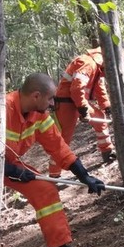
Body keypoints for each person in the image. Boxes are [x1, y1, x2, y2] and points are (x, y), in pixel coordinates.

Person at [1, 73, 105, 247]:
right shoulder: (1, 109)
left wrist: (84, 176)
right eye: (49, 99)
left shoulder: (40, 116)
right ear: (36, 96)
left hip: (9, 164)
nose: (51, 104)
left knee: (45, 189)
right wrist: (10, 170)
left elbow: (59, 148)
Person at [49, 47, 115, 178]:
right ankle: (54, 175)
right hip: (65, 103)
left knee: (100, 119)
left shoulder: (98, 68)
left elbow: (99, 87)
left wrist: (106, 105)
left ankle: (108, 152)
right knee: (63, 139)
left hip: (77, 101)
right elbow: (76, 88)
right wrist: (83, 109)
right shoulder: (88, 64)